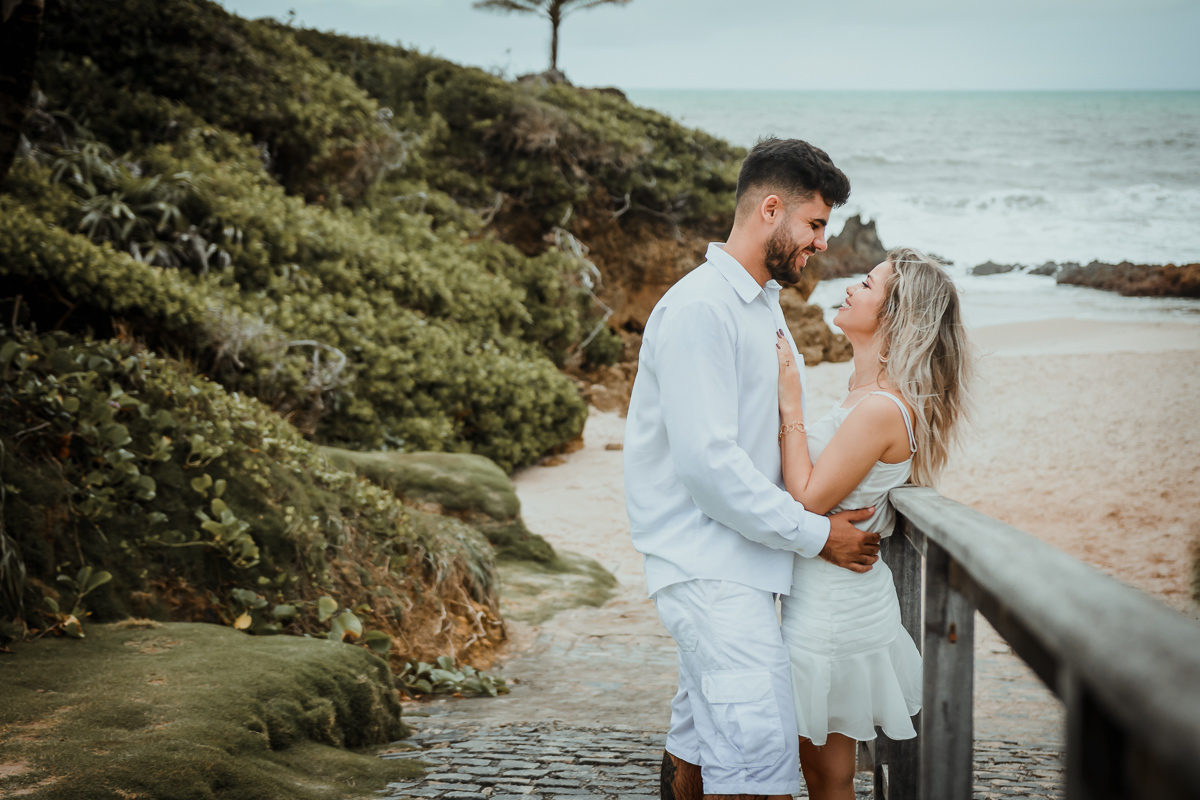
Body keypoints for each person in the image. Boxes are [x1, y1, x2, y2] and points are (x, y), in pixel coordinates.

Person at [624, 137, 881, 800]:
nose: (822, 243)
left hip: (735, 567)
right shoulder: (703, 309)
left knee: (702, 752)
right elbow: (711, 468)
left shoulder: (758, 305)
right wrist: (820, 535)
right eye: (815, 224)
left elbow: (762, 444)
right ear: (771, 208)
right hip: (708, 569)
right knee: (760, 769)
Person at [774, 248, 971, 800]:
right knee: (818, 772)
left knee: (827, 776)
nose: (850, 289)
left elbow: (810, 497)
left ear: (895, 315)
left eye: (866, 284)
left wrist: (790, 409)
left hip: (834, 609)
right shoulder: (864, 396)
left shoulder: (882, 408)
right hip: (824, 592)